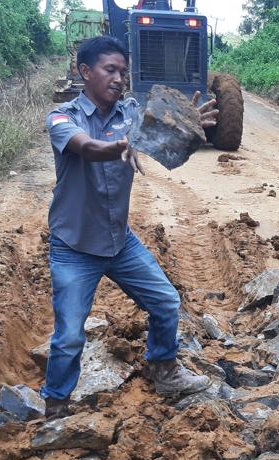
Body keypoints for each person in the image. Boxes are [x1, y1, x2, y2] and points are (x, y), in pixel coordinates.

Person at [41, 35, 216, 415]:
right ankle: (55, 405)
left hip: (119, 242)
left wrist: (187, 126)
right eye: (110, 70)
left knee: (166, 302)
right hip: (73, 248)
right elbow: (86, 148)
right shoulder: (63, 117)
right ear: (84, 72)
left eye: (123, 71)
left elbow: (158, 136)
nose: (119, 78)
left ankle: (164, 369)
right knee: (69, 336)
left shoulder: (130, 113)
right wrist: (125, 144)